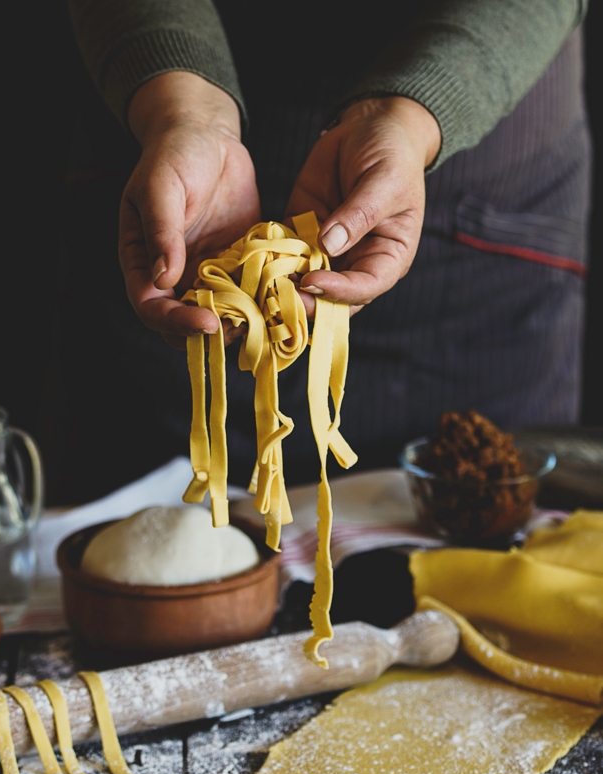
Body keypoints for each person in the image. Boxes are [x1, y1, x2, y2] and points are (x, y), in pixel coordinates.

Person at [61, 0, 590, 500]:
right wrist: (184, 110)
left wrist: (411, 115)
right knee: (146, 551)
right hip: (173, 162)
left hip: (472, 180)